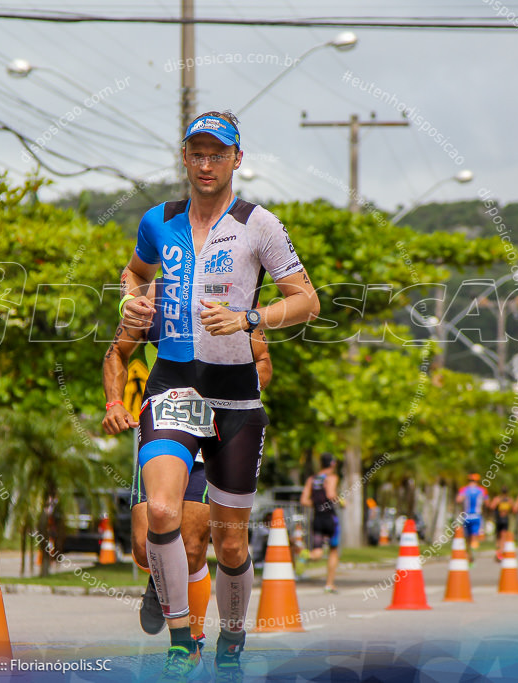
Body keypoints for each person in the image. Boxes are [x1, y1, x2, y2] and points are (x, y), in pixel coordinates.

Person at [118, 110, 319, 682]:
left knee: (231, 546)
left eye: (218, 154)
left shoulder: (260, 225)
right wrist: (130, 301)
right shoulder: (158, 220)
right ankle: (183, 637)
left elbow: (307, 301)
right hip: (173, 385)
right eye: (197, 153)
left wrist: (251, 316)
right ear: (185, 157)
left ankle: (233, 634)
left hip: (234, 394)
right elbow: (134, 273)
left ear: (237, 159)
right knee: (160, 510)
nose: (206, 164)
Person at [102, 278, 273, 646]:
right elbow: (117, 352)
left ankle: (189, 644)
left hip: (214, 429)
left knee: (195, 547)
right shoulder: (155, 298)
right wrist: (114, 402)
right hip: (167, 417)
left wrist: (232, 402)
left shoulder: (233, 301)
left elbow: (263, 362)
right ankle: (160, 573)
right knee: (143, 545)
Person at [300, 453, 342, 593]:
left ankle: (304, 555)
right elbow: (330, 494)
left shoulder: (312, 479)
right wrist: (342, 501)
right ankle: (329, 584)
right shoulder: (331, 478)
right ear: (332, 464)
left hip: (317, 519)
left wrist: (317, 504)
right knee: (333, 550)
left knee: (317, 553)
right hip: (330, 519)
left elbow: (304, 500)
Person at [456, 473, 488, 563]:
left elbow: (458, 500)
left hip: (466, 516)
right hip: (477, 516)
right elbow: (487, 503)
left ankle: (468, 555)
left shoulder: (464, 490)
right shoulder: (481, 490)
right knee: (474, 537)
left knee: (467, 538)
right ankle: (472, 554)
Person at [488, 487, 514, 562]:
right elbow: (514, 509)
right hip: (505, 519)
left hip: (498, 519)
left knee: (498, 536)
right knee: (503, 536)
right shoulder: (509, 499)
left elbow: (491, 507)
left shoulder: (497, 499)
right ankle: (501, 551)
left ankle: (498, 552)